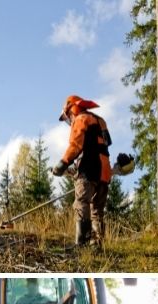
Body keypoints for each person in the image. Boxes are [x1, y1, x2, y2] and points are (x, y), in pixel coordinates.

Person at [52, 95, 112, 246]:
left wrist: (62, 163)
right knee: (97, 209)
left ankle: (82, 243)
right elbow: (104, 144)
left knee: (81, 202)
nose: (69, 120)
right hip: (104, 171)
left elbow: (76, 145)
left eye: (68, 116)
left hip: (89, 169)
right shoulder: (100, 120)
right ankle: (97, 244)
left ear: (71, 109)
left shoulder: (81, 119)